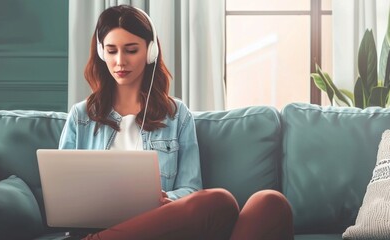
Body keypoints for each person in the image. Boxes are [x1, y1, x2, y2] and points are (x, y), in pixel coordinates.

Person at [59, 5, 294, 240]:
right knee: (221, 202)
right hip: (100, 227)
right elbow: (61, 196)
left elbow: (191, 188)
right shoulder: (81, 116)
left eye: (131, 50)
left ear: (151, 52)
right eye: (111, 51)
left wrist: (167, 199)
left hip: (164, 227)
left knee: (270, 202)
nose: (120, 61)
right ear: (101, 53)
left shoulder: (176, 114)